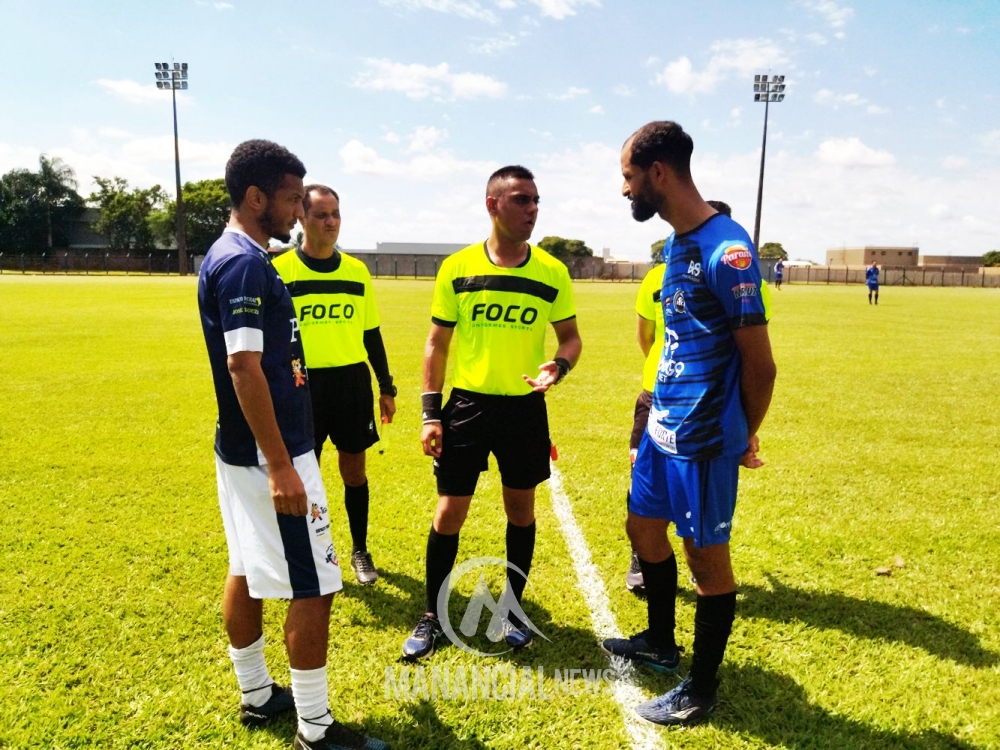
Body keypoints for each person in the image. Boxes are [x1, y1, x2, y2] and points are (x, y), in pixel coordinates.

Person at [197, 140, 386, 750]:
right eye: (290, 199)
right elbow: (243, 366)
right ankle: (316, 728)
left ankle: (256, 695)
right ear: (256, 198)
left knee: (245, 567)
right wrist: (281, 465)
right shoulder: (246, 265)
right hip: (271, 454)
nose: (299, 211)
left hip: (241, 448)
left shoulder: (234, 254)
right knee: (316, 585)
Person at [602, 122, 776, 727]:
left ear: (658, 172)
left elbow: (761, 364)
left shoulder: (727, 250)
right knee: (641, 526)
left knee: (706, 561)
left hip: (703, 437)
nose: (625, 190)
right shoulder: (676, 245)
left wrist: (741, 433)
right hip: (662, 423)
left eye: (628, 176)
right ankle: (659, 641)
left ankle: (700, 690)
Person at [401, 165, 582, 660]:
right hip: (468, 407)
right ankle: (433, 615)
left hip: (525, 409)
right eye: (522, 199)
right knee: (449, 512)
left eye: (536, 200)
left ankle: (512, 610)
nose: (532, 209)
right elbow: (437, 344)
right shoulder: (457, 268)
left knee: (520, 509)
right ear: (492, 204)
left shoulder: (551, 271)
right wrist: (430, 413)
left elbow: (570, 338)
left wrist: (560, 365)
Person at [272, 185, 396, 587]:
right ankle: (307, 553)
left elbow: (371, 333)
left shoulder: (357, 272)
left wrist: (386, 386)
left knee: (354, 471)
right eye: (321, 214)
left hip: (350, 384)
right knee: (305, 474)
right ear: (301, 218)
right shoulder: (281, 270)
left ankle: (359, 550)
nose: (331, 222)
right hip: (302, 385)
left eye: (336, 214)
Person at [625, 199, 735, 593]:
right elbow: (647, 337)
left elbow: (744, 347)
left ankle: (698, 558)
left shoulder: (737, 274)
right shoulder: (657, 277)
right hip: (656, 395)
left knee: (696, 490)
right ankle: (642, 557)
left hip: (703, 401)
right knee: (642, 480)